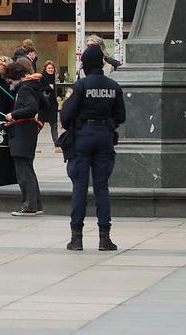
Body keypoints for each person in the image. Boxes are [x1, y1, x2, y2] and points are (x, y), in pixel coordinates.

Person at [61, 43, 126, 251]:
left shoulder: (81, 86)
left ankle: (76, 238)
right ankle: (104, 238)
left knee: (80, 187)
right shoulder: (113, 86)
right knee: (101, 187)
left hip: (83, 136)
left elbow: (66, 115)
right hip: (104, 137)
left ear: (86, 64)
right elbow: (121, 116)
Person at [6, 60, 46, 216]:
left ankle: (29, 205)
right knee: (28, 168)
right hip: (29, 130)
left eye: (10, 80)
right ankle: (36, 204)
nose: (10, 84)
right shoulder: (34, 86)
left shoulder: (24, 89)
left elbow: (31, 108)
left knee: (23, 170)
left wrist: (13, 114)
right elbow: (44, 104)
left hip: (22, 131)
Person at [40, 60, 63, 144]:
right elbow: (39, 90)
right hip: (44, 105)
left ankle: (57, 144)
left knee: (54, 125)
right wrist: (48, 87)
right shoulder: (42, 77)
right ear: (45, 69)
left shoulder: (53, 77)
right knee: (40, 125)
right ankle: (31, 141)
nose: (51, 70)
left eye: (52, 68)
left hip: (52, 105)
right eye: (49, 68)